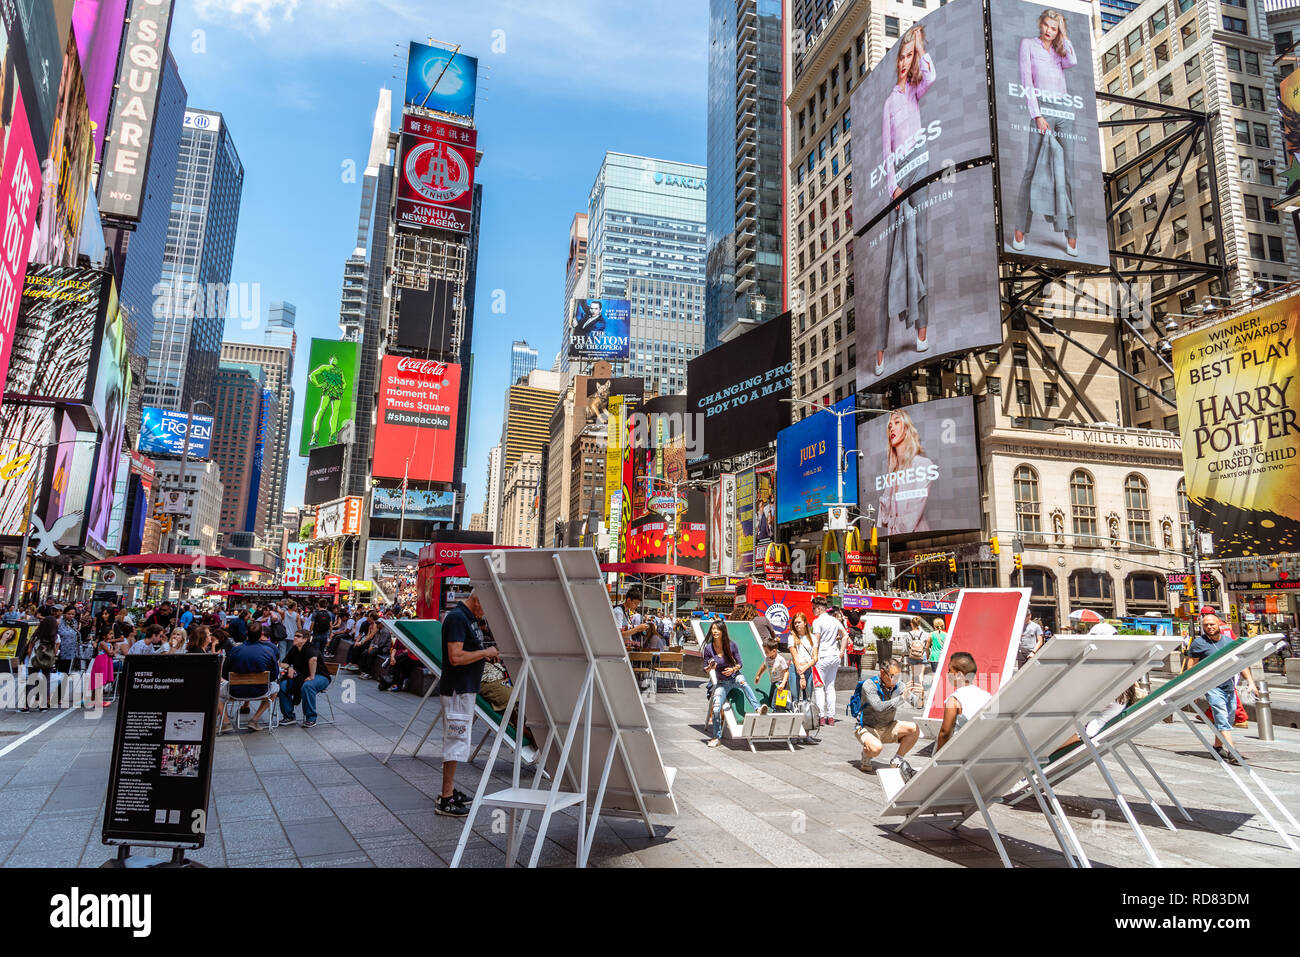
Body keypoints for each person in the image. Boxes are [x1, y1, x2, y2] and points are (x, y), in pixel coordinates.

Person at [875, 24, 936, 380]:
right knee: (893, 259)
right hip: (900, 180)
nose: (904, 62)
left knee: (920, 250)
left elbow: (932, 75)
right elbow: (886, 150)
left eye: (908, 55)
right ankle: (881, 347)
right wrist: (892, 187)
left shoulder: (915, 90)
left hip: (921, 167)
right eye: (901, 55)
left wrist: (919, 44)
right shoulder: (890, 102)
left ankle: (922, 329)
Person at [1011, 8, 1080, 258]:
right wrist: (1037, 115)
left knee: (1067, 173)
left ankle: (1071, 234)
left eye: (1054, 28)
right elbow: (1026, 81)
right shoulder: (1028, 45)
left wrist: (1064, 32)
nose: (1049, 31)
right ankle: (1020, 230)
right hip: (1043, 110)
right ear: (1040, 23)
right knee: (1031, 169)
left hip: (1065, 112)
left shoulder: (1060, 49)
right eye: (1047, 26)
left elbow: (1072, 61)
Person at [437, 591, 500, 817]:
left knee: (458, 739)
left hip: (465, 688)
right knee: (455, 741)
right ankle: (446, 798)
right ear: (477, 599)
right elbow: (455, 657)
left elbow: (467, 651)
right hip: (458, 690)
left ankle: (449, 791)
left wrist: (484, 655)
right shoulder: (457, 618)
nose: (485, 614)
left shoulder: (469, 618)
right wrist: (485, 652)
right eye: (486, 608)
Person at [1185, 613, 1258, 765]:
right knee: (1221, 716)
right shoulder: (1199, 643)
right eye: (1206, 625)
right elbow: (1190, 667)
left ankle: (1218, 747)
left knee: (1228, 718)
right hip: (1212, 686)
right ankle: (1232, 752)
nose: (1209, 627)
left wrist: (1250, 681)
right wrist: (1192, 688)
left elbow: (1240, 664)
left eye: (1212, 624)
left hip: (1229, 685)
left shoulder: (1228, 642)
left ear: (1219, 624)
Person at [855, 658, 922, 775]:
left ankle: (897, 759)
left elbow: (917, 705)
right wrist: (902, 698)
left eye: (898, 676)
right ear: (882, 673)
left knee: (914, 729)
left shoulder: (898, 685)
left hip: (888, 726)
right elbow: (879, 707)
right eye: (892, 676)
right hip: (867, 728)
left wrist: (920, 695)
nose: (896, 680)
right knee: (876, 749)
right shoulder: (870, 685)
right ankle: (866, 755)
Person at [703, 620, 765, 747]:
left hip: (735, 676)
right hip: (722, 682)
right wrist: (710, 667)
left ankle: (757, 708)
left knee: (743, 682)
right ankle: (716, 737)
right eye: (713, 629)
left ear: (722, 631)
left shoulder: (732, 645)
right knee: (715, 709)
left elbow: (740, 664)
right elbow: (705, 669)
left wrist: (733, 669)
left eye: (717, 629)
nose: (714, 631)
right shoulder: (709, 648)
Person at [877, 409, 936, 535]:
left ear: (907, 428)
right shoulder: (893, 471)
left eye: (897, 422)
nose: (891, 428)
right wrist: (890, 472)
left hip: (919, 540)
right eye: (889, 426)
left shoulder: (922, 465)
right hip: (895, 541)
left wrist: (893, 532)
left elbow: (911, 518)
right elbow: (884, 518)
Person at [220, 622, 280, 733]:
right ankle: (255, 719)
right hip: (261, 691)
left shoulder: (235, 650)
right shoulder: (269, 651)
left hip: (235, 691)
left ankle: (226, 721)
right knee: (276, 689)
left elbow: (225, 674)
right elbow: (274, 676)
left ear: (247, 633)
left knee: (215, 692)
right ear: (261, 634)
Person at [934, 652, 992, 752]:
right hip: (981, 748)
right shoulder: (987, 695)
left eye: (950, 671)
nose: (947, 674)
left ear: (959, 675)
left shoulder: (954, 699)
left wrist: (936, 758)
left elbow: (945, 733)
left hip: (959, 751)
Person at [278, 631, 330, 728]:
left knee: (308, 685)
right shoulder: (295, 649)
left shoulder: (310, 648)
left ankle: (311, 718)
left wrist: (312, 676)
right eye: (294, 635)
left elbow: (313, 659)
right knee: (283, 685)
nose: (295, 638)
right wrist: (289, 668)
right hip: (302, 677)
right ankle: (289, 716)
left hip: (321, 676)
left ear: (305, 639)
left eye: (298, 636)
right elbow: (282, 663)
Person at [811, 596, 844, 726]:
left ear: (819, 609)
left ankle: (821, 716)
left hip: (822, 656)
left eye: (814, 609)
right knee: (830, 687)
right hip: (834, 656)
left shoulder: (817, 622)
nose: (813, 611)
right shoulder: (834, 620)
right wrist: (841, 651)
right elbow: (845, 635)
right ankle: (831, 717)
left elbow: (816, 641)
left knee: (819, 687)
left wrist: (813, 656)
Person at [308, 353, 348, 446]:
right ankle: (315, 437)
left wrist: (342, 389)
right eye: (333, 359)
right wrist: (318, 384)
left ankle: (333, 437)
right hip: (328, 390)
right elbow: (312, 375)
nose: (335, 360)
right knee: (322, 411)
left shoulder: (340, 370)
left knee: (335, 414)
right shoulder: (325, 367)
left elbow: (344, 383)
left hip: (337, 391)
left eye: (336, 359)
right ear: (330, 360)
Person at [788, 612, 817, 708]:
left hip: (807, 668)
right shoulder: (792, 637)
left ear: (805, 623)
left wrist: (805, 667)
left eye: (799, 622)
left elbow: (815, 658)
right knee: (795, 698)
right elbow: (795, 657)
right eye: (795, 623)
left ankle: (806, 720)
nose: (796, 625)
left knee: (807, 698)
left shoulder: (812, 637)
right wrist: (802, 675)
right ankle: (795, 719)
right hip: (795, 669)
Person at [753, 637, 790, 711]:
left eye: (766, 651)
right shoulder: (767, 659)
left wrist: (783, 684)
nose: (765, 653)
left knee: (775, 703)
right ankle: (787, 705)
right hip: (773, 683)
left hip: (780, 683)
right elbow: (763, 666)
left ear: (774, 651)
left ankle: (785, 708)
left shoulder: (780, 659)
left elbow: (786, 672)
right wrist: (758, 675)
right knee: (770, 701)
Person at [902, 615, 928, 685]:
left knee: (914, 675)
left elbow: (905, 648)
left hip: (912, 655)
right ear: (919, 624)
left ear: (911, 624)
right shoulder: (924, 634)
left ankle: (914, 691)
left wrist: (903, 656)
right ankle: (921, 690)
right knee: (921, 674)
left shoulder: (908, 634)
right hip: (922, 655)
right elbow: (926, 645)